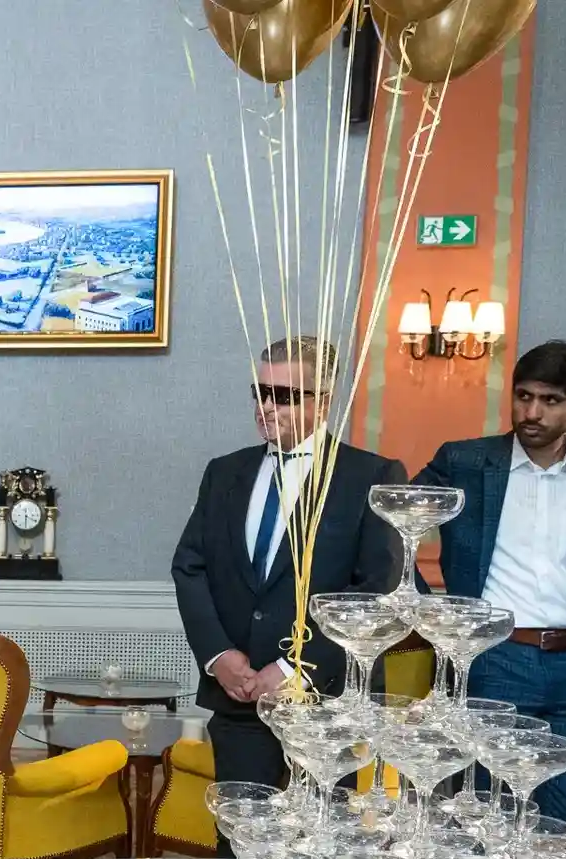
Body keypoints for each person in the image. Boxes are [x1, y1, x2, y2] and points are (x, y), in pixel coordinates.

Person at [172, 336, 405, 810]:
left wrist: (293, 668)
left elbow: (376, 591)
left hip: (328, 701)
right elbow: (190, 567)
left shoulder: (370, 475)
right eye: (261, 392)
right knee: (239, 837)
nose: (266, 407)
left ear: (324, 401)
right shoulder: (224, 472)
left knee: (323, 839)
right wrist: (219, 656)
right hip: (238, 697)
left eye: (283, 396)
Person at [416, 341, 566, 838]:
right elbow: (395, 523)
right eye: (524, 396)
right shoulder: (465, 460)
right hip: (495, 660)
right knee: (489, 824)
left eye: (551, 401)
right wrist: (428, 612)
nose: (532, 413)